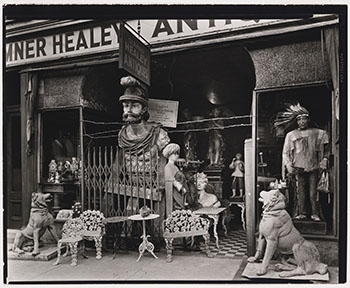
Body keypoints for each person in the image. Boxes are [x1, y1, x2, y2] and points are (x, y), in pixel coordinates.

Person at [115, 75, 171, 219]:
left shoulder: (158, 134)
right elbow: (118, 164)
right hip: (130, 186)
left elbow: (165, 161)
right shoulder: (122, 135)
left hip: (153, 186)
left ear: (144, 108)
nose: (129, 110)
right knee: (130, 212)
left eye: (134, 106)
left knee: (155, 218)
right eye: (126, 105)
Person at [281, 104, 329, 221]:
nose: (302, 122)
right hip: (298, 167)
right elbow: (286, 152)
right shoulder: (291, 135)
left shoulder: (318, 133)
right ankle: (301, 213)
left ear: (308, 120)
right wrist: (289, 166)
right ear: (296, 122)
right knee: (300, 192)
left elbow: (327, 147)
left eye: (304, 119)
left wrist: (324, 160)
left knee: (313, 192)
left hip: (313, 167)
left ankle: (314, 213)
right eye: (299, 120)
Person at [163, 143, 189, 216]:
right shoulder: (168, 167)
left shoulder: (175, 167)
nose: (176, 155)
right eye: (174, 153)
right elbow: (172, 181)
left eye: (177, 153)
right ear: (169, 154)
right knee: (178, 208)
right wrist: (181, 188)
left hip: (180, 193)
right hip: (175, 192)